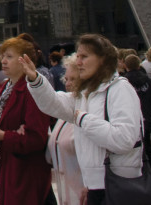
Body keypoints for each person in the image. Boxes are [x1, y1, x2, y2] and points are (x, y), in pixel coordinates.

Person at [21, 33, 144, 205]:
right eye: (78, 56)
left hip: (119, 185)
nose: (78, 62)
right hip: (97, 186)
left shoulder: (120, 89)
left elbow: (124, 139)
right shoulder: (87, 94)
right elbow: (54, 103)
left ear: (103, 59)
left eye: (84, 57)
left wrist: (83, 119)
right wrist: (35, 80)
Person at [0, 35, 51, 205]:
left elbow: (36, 138)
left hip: (25, 171)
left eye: (9, 57)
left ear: (25, 60)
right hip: (6, 166)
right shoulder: (6, 87)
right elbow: (8, 123)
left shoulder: (32, 89)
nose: (3, 61)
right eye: (3, 56)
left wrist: (2, 135)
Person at [122, 54, 151, 185]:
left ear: (125, 65)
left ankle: (139, 176)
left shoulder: (123, 82)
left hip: (130, 120)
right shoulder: (148, 81)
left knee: (133, 150)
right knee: (147, 148)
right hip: (146, 119)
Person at [46, 61, 83, 205]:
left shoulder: (86, 109)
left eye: (73, 79)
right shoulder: (65, 113)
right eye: (66, 79)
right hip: (68, 192)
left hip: (84, 191)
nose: (67, 84)